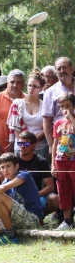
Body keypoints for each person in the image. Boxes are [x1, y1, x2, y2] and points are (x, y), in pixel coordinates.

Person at [0, 70, 26, 178]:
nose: (15, 85)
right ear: (7, 83)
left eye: (18, 82)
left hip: (18, 151)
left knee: (15, 182)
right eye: (12, 82)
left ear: (23, 84)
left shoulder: (27, 100)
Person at [16, 131, 58, 216]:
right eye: (20, 143)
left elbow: (50, 186)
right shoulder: (13, 159)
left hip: (37, 195)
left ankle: (39, 217)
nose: (22, 147)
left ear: (33, 145)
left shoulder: (41, 161)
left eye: (26, 144)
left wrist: (34, 195)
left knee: (54, 199)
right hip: (16, 195)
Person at [7, 71, 48, 159]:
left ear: (41, 89)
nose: (31, 88)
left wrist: (32, 142)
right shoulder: (18, 103)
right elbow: (15, 128)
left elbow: (47, 128)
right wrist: (25, 144)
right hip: (21, 147)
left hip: (40, 147)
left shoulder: (45, 105)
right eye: (29, 85)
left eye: (35, 86)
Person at [51, 92, 75, 230]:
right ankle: (67, 220)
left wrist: (71, 118)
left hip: (74, 161)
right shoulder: (58, 123)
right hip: (61, 161)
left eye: (68, 106)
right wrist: (53, 164)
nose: (65, 109)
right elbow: (55, 143)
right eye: (62, 106)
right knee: (63, 189)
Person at [42, 57, 75, 151]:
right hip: (62, 142)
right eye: (59, 69)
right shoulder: (50, 92)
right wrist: (51, 145)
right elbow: (47, 121)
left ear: (71, 69)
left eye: (64, 67)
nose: (62, 71)